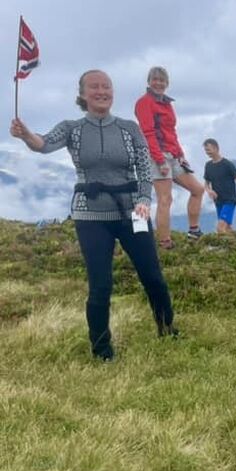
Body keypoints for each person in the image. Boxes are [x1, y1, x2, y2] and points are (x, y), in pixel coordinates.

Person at [10, 69, 177, 361]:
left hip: (132, 212)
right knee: (100, 284)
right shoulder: (72, 127)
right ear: (83, 95)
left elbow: (143, 167)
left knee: (152, 276)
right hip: (90, 216)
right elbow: (44, 144)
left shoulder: (129, 127)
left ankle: (168, 329)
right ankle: (102, 350)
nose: (102, 92)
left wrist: (143, 200)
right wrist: (25, 135)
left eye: (107, 87)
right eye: (95, 87)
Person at [134, 66, 206, 249]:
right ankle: (165, 242)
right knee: (165, 199)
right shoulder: (144, 103)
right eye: (155, 79)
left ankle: (194, 231)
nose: (158, 83)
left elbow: (171, 132)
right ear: (149, 82)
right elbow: (148, 133)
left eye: (162, 80)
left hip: (173, 155)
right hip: (156, 155)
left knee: (197, 189)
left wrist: (181, 155)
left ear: (167, 83)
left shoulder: (167, 104)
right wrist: (159, 160)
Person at [203, 138, 236, 233]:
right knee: (227, 228)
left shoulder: (227, 164)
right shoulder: (208, 165)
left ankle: (223, 247)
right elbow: (206, 183)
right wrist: (209, 191)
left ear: (216, 148)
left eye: (209, 150)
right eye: (206, 150)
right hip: (218, 202)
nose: (207, 152)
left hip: (229, 201)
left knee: (220, 228)